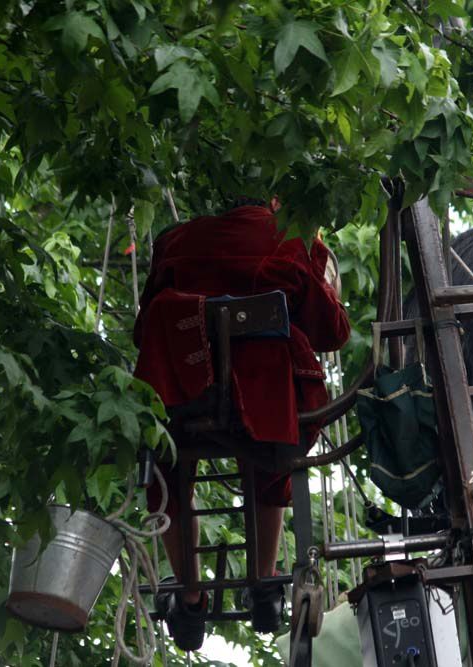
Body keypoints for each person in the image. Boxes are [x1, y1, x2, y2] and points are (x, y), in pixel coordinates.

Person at [133, 197, 350, 651]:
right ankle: (265, 580)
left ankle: (189, 598)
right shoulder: (290, 234)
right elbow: (333, 331)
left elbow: (144, 328)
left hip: (184, 399)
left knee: (165, 465)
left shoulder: (175, 240)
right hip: (264, 400)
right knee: (274, 444)